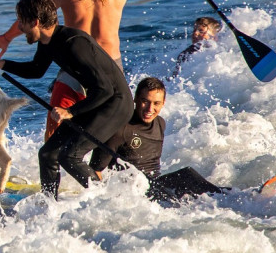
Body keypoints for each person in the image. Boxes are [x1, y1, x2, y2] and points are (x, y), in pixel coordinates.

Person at [0, 0, 180, 139]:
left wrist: (6, 37)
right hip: (111, 68)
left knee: (55, 133)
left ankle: (54, 168)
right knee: (104, 134)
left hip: (75, 67)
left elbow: (35, 16)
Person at [0, 0, 133, 198]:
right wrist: (4, 64)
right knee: (47, 154)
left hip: (116, 104)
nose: (19, 27)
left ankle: (107, 199)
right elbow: (36, 70)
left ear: (35, 22)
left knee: (70, 156)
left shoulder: (74, 43)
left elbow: (106, 89)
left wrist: (70, 111)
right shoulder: (48, 42)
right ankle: (49, 206)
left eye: (22, 22)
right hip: (97, 101)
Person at [89, 76, 226, 200]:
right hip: (135, 193)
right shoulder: (120, 129)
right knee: (187, 175)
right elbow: (95, 170)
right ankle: (225, 198)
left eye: (156, 103)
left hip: (156, 187)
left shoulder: (160, 123)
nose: (150, 109)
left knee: (200, 192)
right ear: (135, 99)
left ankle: (224, 197)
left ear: (163, 103)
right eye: (145, 101)